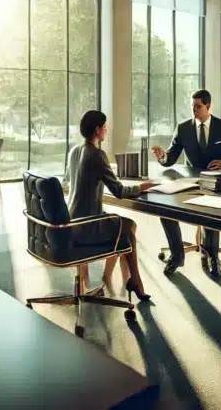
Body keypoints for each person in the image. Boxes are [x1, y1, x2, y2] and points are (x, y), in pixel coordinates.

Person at [150, 89, 221, 277]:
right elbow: (170, 158)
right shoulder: (183, 128)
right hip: (190, 182)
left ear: (208, 107)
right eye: (192, 106)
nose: (194, 110)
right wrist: (162, 157)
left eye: (198, 106)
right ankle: (177, 255)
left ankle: (212, 256)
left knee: (211, 214)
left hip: (216, 183)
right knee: (165, 209)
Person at [64, 110, 156, 300]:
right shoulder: (97, 155)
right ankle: (135, 282)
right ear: (97, 130)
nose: (106, 130)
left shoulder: (74, 151)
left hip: (70, 220)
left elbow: (69, 180)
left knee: (122, 226)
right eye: (104, 127)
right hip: (87, 225)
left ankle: (115, 277)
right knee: (128, 228)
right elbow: (119, 191)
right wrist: (142, 186)